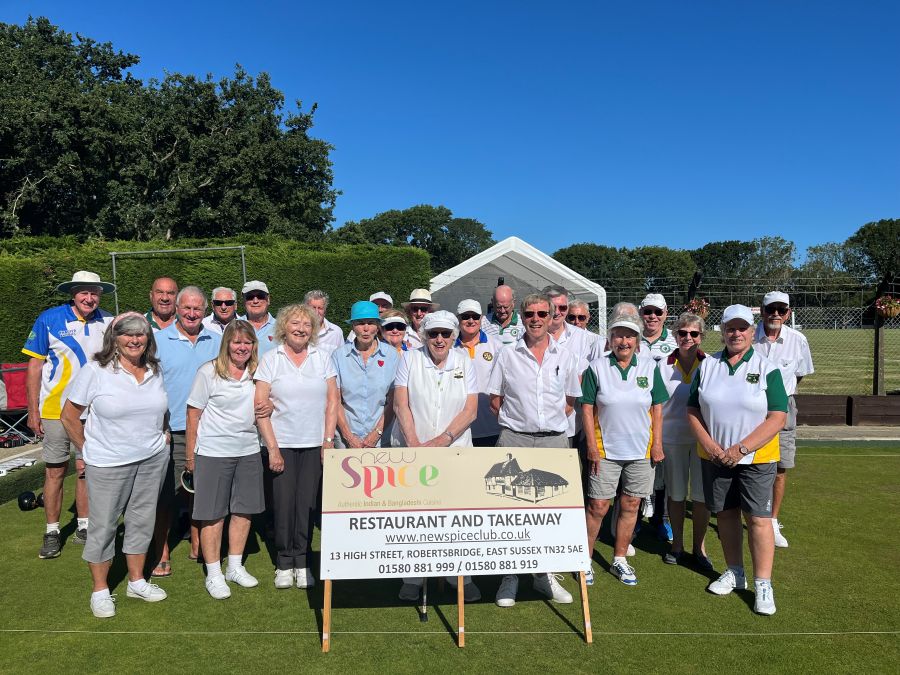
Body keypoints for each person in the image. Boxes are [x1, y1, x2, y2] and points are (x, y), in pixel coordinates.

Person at [60, 312, 169, 617]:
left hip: (151, 459)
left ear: (148, 338)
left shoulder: (154, 369)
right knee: (104, 526)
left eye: (140, 334)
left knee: (141, 521)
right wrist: (87, 450)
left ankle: (136, 581)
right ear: (115, 338)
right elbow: (69, 416)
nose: (134, 340)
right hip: (107, 463)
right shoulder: (95, 370)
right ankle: (100, 590)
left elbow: (161, 408)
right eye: (127, 334)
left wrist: (163, 435)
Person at [686, 304, 788, 616]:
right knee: (726, 514)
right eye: (731, 328)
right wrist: (710, 445)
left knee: (758, 519)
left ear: (752, 331)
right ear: (723, 331)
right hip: (715, 457)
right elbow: (692, 409)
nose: (736, 333)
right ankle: (735, 571)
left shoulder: (767, 367)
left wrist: (741, 449)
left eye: (742, 328)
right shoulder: (708, 365)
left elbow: (778, 417)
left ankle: (763, 583)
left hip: (756, 458)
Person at [489, 293, 581, 607]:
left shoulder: (565, 355)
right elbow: (495, 400)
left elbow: (570, 401)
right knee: (510, 513)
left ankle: (544, 575)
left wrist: (546, 425)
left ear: (553, 315)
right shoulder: (507, 354)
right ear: (522, 316)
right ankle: (510, 576)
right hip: (514, 439)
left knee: (550, 513)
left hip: (554, 441)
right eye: (530, 313)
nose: (536, 319)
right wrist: (522, 423)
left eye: (543, 313)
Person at [23, 270, 114, 559]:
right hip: (55, 410)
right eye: (84, 292)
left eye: (94, 293)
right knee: (55, 471)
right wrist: (32, 410)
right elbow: (34, 367)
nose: (89, 298)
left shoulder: (109, 322)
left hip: (94, 412)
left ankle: (84, 526)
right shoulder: (49, 319)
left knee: (87, 469)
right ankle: (52, 531)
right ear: (73, 294)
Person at [392, 310, 479, 602]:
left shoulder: (464, 361)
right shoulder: (409, 359)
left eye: (445, 334)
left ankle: (460, 577)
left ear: (454, 336)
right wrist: (415, 445)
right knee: (415, 518)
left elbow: (470, 410)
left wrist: (442, 441)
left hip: (455, 451)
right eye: (433, 334)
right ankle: (413, 577)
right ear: (424, 336)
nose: (439, 339)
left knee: (457, 517)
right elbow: (401, 405)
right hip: (413, 450)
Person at [581, 311, 668, 586]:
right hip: (605, 451)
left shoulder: (649, 368)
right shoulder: (596, 367)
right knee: (597, 506)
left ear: (637, 341)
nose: (624, 341)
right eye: (619, 335)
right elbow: (586, 408)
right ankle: (584, 560)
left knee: (631, 505)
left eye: (630, 336)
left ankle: (619, 558)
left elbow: (657, 408)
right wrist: (591, 447)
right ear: (610, 339)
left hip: (641, 451)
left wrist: (657, 444)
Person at [255, 304, 338, 589]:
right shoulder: (271, 359)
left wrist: (328, 441)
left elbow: (332, 402)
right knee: (283, 504)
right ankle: (283, 562)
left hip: (314, 444)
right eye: (295, 323)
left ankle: (302, 562)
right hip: (283, 444)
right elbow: (260, 407)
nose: (301, 329)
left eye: (306, 324)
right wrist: (273, 449)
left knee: (306, 505)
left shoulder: (322, 358)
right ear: (284, 327)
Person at [186, 320, 265, 599]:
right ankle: (214, 573)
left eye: (247, 342)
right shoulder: (208, 372)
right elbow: (193, 414)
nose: (242, 347)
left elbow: (268, 404)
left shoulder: (258, 372)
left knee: (243, 511)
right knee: (212, 514)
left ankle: (234, 566)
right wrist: (190, 456)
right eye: (237, 342)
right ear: (227, 344)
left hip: (249, 450)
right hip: (213, 452)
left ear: (254, 345)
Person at [152, 286, 222, 577]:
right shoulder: (157, 341)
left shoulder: (217, 340)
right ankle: (161, 550)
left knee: (202, 491)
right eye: (187, 308)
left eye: (197, 309)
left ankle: (197, 544)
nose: (192, 314)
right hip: (173, 429)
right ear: (177, 309)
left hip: (210, 429)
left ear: (205, 311)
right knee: (166, 493)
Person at [754, 291, 814, 548]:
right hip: (752, 406)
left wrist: (780, 396)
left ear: (788, 313)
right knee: (749, 464)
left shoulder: (798, 340)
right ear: (762, 310)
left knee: (780, 467)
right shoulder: (749, 335)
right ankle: (746, 515)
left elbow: (800, 374)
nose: (776, 314)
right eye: (771, 309)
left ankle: (772, 520)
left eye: (782, 310)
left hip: (783, 406)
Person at [657, 313, 711, 568]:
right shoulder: (662, 365)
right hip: (672, 439)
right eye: (683, 333)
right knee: (677, 495)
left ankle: (699, 548)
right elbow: (655, 406)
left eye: (694, 333)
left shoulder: (711, 364)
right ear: (675, 335)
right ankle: (677, 545)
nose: (688, 338)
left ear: (701, 336)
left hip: (703, 440)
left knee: (700, 497)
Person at [333, 301, 399, 450]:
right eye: (360, 323)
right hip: (346, 440)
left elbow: (393, 400)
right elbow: (335, 400)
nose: (366, 328)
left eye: (371, 323)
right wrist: (349, 436)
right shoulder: (339, 356)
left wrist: (376, 434)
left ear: (378, 326)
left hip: (382, 439)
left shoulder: (391, 356)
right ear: (352, 326)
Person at [639, 293, 678, 541]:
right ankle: (635, 517)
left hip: (667, 416)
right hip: (637, 417)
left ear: (665, 314)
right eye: (648, 312)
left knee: (663, 472)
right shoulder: (631, 338)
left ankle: (661, 519)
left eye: (658, 312)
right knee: (638, 468)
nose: (652, 316)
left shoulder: (676, 340)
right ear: (641, 313)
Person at [543, 286, 599, 444]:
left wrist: (561, 411)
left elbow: (579, 379)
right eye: (553, 307)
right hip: (533, 424)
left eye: (562, 308)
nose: (557, 312)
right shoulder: (530, 335)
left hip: (568, 422)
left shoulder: (580, 337)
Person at [454, 299, 501, 447]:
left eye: (475, 316)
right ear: (458, 319)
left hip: (491, 427)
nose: (470, 320)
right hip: (458, 428)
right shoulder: (449, 347)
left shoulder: (496, 346)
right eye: (465, 316)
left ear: (481, 318)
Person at [482, 284, 525, 348]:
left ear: (513, 303)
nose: (502, 311)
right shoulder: (483, 322)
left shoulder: (523, 323)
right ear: (492, 302)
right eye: (498, 307)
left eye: (506, 307)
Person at [240, 280, 276, 357]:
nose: (255, 301)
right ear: (243, 301)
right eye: (250, 297)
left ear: (268, 300)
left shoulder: (282, 327)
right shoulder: (233, 327)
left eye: (260, 296)